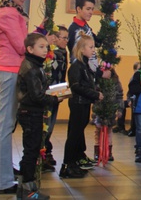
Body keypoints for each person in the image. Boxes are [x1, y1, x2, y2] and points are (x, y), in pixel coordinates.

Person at [0, 0, 30, 194]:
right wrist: (40, 42)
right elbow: (21, 45)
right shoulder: (8, 13)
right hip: (8, 69)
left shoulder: (12, 13)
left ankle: (2, 178)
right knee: (4, 126)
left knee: (6, 124)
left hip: (10, 68)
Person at [17, 33, 62, 199]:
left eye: (46, 47)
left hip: (32, 111)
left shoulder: (36, 65)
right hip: (30, 112)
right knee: (31, 151)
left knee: (32, 149)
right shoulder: (31, 68)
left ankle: (25, 188)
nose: (45, 50)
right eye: (41, 47)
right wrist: (55, 99)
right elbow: (36, 95)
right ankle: (28, 191)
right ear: (30, 49)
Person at [60, 34, 103, 179]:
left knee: (78, 134)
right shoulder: (76, 66)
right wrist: (94, 94)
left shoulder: (85, 65)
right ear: (81, 49)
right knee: (74, 134)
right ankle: (67, 165)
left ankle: (75, 162)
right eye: (90, 47)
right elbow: (76, 86)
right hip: (78, 103)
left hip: (84, 103)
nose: (93, 50)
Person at [43, 26, 69, 171]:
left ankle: (47, 151)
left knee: (51, 124)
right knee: (47, 123)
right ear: (55, 38)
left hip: (57, 91)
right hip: (49, 92)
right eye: (63, 37)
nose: (66, 40)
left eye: (67, 38)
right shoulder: (51, 53)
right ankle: (43, 154)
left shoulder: (64, 52)